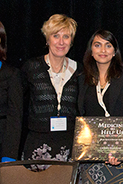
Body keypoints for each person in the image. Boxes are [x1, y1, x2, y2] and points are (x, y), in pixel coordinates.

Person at [76, 29, 123, 183]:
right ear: (91, 51)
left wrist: (122, 151)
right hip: (92, 159)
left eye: (108, 45)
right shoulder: (82, 79)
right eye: (97, 45)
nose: (103, 50)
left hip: (122, 160)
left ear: (114, 52)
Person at [20, 14, 83, 164]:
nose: (61, 42)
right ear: (48, 39)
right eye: (56, 36)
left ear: (71, 41)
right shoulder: (31, 68)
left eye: (66, 36)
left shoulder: (80, 70)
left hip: (69, 147)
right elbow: (16, 107)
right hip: (37, 145)